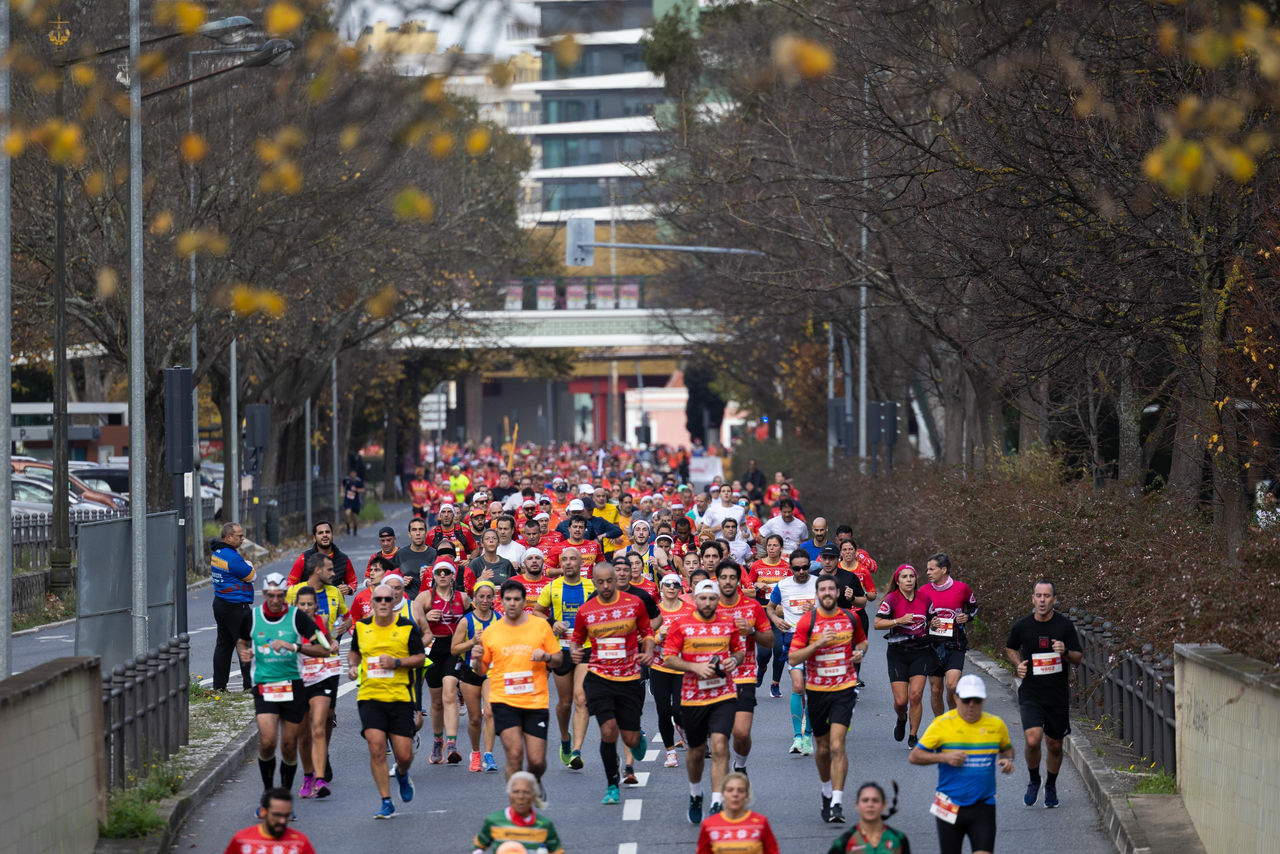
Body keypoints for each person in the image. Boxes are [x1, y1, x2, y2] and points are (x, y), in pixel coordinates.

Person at [236, 572, 327, 799]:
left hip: (293, 685)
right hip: (265, 685)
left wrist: (294, 647)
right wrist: (244, 652)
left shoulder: (298, 617)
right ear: (264, 594)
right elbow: (241, 640)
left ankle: (284, 797)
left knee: (288, 745)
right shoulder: (253, 617)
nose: (276, 601)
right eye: (271, 596)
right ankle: (268, 795)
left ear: (286, 594)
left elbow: (323, 649)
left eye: (280, 596)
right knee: (267, 742)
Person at [570, 562, 655, 804]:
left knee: (630, 739)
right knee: (608, 730)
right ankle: (611, 785)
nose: (606, 586)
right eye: (601, 582)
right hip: (599, 677)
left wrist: (648, 650)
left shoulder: (633, 604)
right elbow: (577, 639)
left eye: (610, 581)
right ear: (594, 582)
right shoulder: (586, 610)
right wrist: (575, 653)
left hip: (629, 678)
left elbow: (647, 632)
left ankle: (637, 738)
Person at [663, 579, 746, 824]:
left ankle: (717, 801)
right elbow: (668, 658)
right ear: (695, 599)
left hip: (723, 694)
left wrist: (735, 661)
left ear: (717, 599)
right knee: (697, 752)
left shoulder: (728, 623)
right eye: (703, 598)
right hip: (693, 697)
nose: (708, 603)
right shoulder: (681, 624)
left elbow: (739, 651)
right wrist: (694, 666)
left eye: (712, 598)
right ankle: (696, 793)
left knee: (720, 746)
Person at [789, 574, 868, 823]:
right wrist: (817, 644)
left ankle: (837, 801)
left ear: (836, 592)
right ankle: (826, 791)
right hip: (817, 691)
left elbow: (863, 643)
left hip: (844, 688)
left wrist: (859, 653)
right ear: (817, 593)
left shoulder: (851, 617)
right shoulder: (807, 622)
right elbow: (793, 658)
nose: (826, 593)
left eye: (830, 589)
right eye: (822, 589)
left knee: (837, 745)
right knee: (822, 749)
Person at [474, 580, 565, 794]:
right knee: (514, 755)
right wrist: (477, 659)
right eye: (508, 599)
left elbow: (559, 659)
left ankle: (534, 780)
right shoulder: (491, 632)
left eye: (516, 599)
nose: (512, 603)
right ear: (501, 602)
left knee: (537, 761)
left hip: (535, 701)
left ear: (524, 602)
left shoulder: (540, 626)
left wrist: (547, 657)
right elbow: (481, 670)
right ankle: (516, 805)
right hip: (504, 701)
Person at [909, 674, 1014, 854]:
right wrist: (944, 758)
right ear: (956, 698)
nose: (971, 704)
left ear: (984, 699)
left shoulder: (996, 725)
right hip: (948, 804)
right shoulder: (941, 724)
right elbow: (915, 756)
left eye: (977, 699)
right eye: (966, 700)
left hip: (983, 804)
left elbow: (1007, 750)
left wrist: (1007, 760)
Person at [348, 581, 428, 819]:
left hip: (400, 696)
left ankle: (402, 774)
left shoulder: (407, 627)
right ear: (371, 603)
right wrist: (352, 666)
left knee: (404, 755)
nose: (383, 603)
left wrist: (397, 663)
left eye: (387, 599)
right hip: (370, 696)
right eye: (378, 599)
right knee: (376, 748)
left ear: (394, 602)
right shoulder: (362, 627)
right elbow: (354, 651)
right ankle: (386, 800)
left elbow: (420, 659)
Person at [1004, 579, 1082, 808]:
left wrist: (1065, 651)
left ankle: (1051, 785)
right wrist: (1018, 664)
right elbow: (1010, 647)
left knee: (1055, 744)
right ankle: (1034, 779)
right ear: (1032, 599)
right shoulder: (1022, 625)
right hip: (1031, 692)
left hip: (1056, 695)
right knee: (1033, 738)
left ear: (1054, 600)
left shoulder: (1064, 626)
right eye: (1038, 595)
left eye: (1047, 596)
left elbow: (1078, 656)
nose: (1042, 600)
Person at [287, 553, 349, 796]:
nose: (305, 609)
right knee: (304, 735)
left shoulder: (322, 620)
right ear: (295, 606)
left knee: (320, 724)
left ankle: (321, 778)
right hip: (299, 678)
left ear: (315, 606)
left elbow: (330, 640)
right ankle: (308, 774)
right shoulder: (290, 624)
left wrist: (333, 643)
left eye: (309, 605)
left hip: (323, 675)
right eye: (301, 605)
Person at [534, 547, 596, 770]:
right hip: (561, 650)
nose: (569, 563)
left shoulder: (591, 586)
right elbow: (537, 612)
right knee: (565, 703)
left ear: (581, 564)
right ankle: (565, 738)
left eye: (573, 559)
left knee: (581, 699)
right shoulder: (552, 586)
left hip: (585, 648)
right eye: (565, 559)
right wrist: (553, 623)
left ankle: (577, 751)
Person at [714, 559, 773, 776]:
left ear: (739, 580)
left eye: (732, 577)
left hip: (744, 675)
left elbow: (769, 641)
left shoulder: (752, 607)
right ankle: (719, 793)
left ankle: (740, 764)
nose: (728, 581)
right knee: (718, 739)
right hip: (714, 677)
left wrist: (752, 632)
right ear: (717, 580)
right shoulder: (710, 606)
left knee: (740, 733)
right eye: (723, 577)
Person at [411, 558, 470, 764]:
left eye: (447, 572)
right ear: (433, 576)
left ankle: (452, 744)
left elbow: (473, 620)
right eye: (439, 573)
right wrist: (426, 618)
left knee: (450, 691)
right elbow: (411, 624)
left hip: (453, 649)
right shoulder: (425, 598)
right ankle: (438, 741)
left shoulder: (462, 598)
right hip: (432, 649)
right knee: (436, 702)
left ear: (453, 575)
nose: (443, 576)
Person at [874, 564, 935, 748]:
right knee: (901, 701)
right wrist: (898, 620)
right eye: (904, 577)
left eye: (911, 576)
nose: (908, 580)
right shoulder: (892, 600)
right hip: (897, 653)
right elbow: (877, 623)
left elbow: (932, 620)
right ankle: (901, 718)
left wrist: (935, 622)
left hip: (921, 651)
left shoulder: (925, 598)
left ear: (916, 579)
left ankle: (913, 734)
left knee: (916, 695)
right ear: (897, 580)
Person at [768, 551, 817, 755]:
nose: (801, 571)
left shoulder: (819, 583)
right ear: (791, 568)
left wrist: (814, 609)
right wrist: (776, 619)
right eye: (797, 568)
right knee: (798, 686)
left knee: (812, 690)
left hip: (816, 640)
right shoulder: (783, 585)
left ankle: (808, 735)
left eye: (805, 567)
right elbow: (770, 608)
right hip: (793, 640)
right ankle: (798, 736)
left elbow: (833, 609)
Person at [452, 579, 500, 772]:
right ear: (474, 599)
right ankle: (476, 752)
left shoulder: (499, 620)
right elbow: (454, 649)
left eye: (489, 597)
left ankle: (488, 755)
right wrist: (472, 641)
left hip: (492, 671)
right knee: (474, 719)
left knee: (489, 712)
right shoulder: (466, 621)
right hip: (470, 672)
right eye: (481, 596)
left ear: (494, 599)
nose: (485, 600)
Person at [924, 552, 978, 713]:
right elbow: (919, 616)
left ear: (944, 569)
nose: (928, 573)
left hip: (956, 644)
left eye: (932, 569)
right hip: (932, 646)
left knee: (952, 686)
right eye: (927, 569)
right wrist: (929, 622)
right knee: (935, 690)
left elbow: (974, 608)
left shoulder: (962, 588)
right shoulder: (924, 591)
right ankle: (941, 726)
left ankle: (953, 720)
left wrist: (967, 616)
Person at [651, 571, 695, 767]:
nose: (671, 588)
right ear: (661, 588)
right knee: (662, 711)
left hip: (682, 668)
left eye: (675, 585)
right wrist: (659, 636)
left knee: (679, 709)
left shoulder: (689, 610)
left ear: (680, 589)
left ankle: (683, 729)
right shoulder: (655, 612)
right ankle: (670, 752)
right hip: (659, 666)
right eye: (667, 584)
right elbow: (643, 638)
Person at [471, 771, 565, 854]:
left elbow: (556, 851)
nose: (520, 797)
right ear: (509, 794)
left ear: (534, 796)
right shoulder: (494, 821)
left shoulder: (545, 825)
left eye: (526, 792)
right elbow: (478, 847)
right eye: (516, 792)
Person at [211, 522, 255, 692]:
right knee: (244, 643)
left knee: (224, 645)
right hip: (236, 605)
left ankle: (219, 686)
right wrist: (249, 564)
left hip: (221, 603)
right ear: (228, 537)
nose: (243, 539)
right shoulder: (231, 557)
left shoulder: (218, 552)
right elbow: (251, 575)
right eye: (239, 536)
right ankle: (249, 685)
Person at [695, 772, 781, 854]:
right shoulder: (709, 825)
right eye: (730, 790)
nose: (735, 794)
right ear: (723, 794)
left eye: (741, 790)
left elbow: (772, 851)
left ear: (747, 795)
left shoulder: (760, 823)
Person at [748, 534, 790, 696]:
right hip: (762, 611)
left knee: (779, 651)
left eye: (775, 545)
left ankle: (775, 684)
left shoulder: (787, 567)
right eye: (769, 545)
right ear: (766, 548)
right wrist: (756, 584)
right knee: (764, 653)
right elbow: (748, 588)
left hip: (780, 612)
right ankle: (762, 668)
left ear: (780, 548)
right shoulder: (757, 566)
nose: (772, 548)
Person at [826, 782, 911, 854]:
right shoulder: (844, 841)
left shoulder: (898, 839)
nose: (870, 805)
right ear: (857, 805)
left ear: (884, 805)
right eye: (865, 800)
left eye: (875, 800)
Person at [223, 788, 316, 854]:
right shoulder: (242, 840)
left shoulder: (300, 842)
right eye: (277, 815)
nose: (283, 821)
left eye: (287, 816)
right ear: (263, 812)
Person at [286, 520, 357, 593]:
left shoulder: (344, 559)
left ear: (332, 535)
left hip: (334, 603)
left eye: (327, 532)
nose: (325, 535)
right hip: (310, 602)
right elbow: (290, 583)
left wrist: (349, 589)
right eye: (320, 533)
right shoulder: (303, 558)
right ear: (314, 538)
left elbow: (353, 582)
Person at [395, 517, 438, 599]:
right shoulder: (400, 554)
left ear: (426, 533)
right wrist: (400, 581)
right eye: (414, 530)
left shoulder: (434, 554)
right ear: (409, 534)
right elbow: (390, 581)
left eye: (421, 529)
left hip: (429, 601)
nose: (418, 533)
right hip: (407, 602)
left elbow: (443, 579)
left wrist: (430, 578)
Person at [342, 468, 366, 536]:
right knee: (347, 514)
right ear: (350, 474)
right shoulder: (347, 480)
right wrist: (342, 492)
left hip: (355, 500)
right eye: (351, 473)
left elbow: (363, 490)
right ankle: (348, 528)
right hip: (348, 499)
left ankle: (355, 529)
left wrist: (356, 489)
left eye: (354, 473)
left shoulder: (359, 481)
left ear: (356, 474)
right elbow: (342, 485)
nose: (353, 474)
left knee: (355, 517)